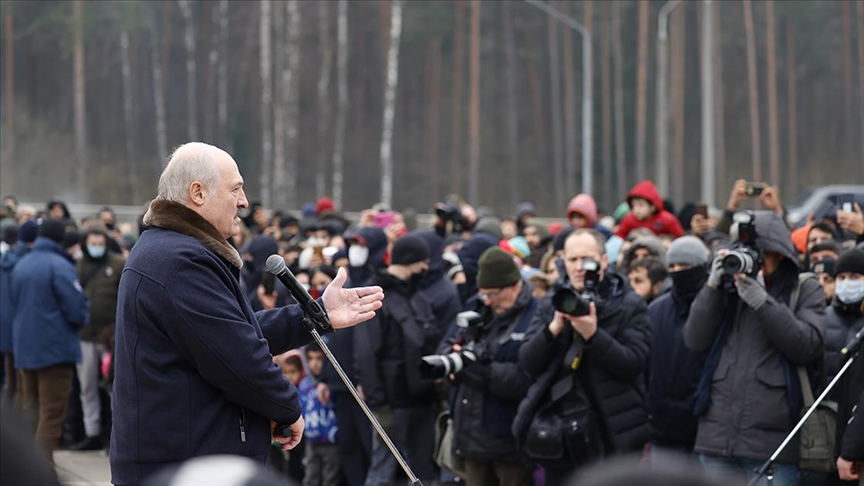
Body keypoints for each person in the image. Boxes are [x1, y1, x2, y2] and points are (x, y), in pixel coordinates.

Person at [110, 142, 384, 486]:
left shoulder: (174, 250)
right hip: (184, 464)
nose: (244, 201)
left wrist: (318, 315)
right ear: (198, 193)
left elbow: (235, 333)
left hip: (186, 455)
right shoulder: (179, 261)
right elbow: (236, 356)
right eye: (235, 189)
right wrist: (286, 406)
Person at [684, 211, 825, 486]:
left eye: (761, 253)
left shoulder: (804, 288)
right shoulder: (727, 289)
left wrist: (763, 301)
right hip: (716, 440)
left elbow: (807, 345)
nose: (752, 259)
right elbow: (694, 339)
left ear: (781, 254)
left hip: (772, 445)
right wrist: (713, 287)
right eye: (746, 251)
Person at [516, 229, 651, 485]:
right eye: (572, 260)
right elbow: (527, 363)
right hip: (561, 436)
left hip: (613, 434)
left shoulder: (629, 304)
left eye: (587, 259)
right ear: (562, 261)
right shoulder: (553, 302)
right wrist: (553, 329)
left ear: (604, 260)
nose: (579, 267)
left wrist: (593, 334)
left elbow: (632, 364)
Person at [442, 247, 539, 486]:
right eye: (483, 293)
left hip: (510, 438)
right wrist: (452, 357)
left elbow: (525, 378)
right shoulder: (478, 306)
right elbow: (447, 343)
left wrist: (476, 369)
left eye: (493, 294)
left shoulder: (535, 315)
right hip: (471, 436)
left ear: (514, 285)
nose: (488, 300)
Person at [354, 234, 441, 486]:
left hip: (422, 399)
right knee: (383, 471)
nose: (426, 267)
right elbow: (366, 353)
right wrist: (379, 404)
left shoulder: (417, 296)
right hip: (392, 402)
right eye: (423, 261)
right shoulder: (377, 296)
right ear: (410, 261)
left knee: (421, 470)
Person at [10, 219, 90, 462]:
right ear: (60, 239)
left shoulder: (22, 264)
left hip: (25, 349)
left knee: (30, 414)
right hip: (54, 350)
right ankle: (42, 472)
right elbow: (76, 309)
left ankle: (23, 468)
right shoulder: (60, 265)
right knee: (52, 414)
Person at [646, 236, 709, 466]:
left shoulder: (715, 309)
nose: (677, 272)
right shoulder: (655, 310)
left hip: (703, 430)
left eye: (684, 266)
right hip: (664, 430)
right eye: (672, 266)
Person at [71, 223, 126, 451]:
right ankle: (92, 432)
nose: (97, 247)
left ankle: (116, 436)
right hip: (85, 336)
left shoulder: (118, 264)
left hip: (109, 338)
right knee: (87, 388)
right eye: (93, 244)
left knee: (114, 387)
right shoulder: (78, 265)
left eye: (100, 243)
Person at [0, 219, 37, 402]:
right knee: (23, 380)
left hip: (4, 324)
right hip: (22, 324)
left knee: (9, 379)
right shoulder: (26, 262)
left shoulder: (4, 261)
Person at [301, 343, 341, 486]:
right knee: (310, 477)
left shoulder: (333, 384)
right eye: (310, 359)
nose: (315, 363)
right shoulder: (304, 384)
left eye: (319, 359)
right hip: (311, 440)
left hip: (331, 441)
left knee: (330, 478)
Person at [824, 249, 864, 382]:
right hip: (827, 398)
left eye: (854, 277)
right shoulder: (823, 317)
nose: (847, 283)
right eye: (841, 277)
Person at [615, 181, 684, 239]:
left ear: (653, 206)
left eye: (641, 205)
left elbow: (680, 239)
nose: (636, 210)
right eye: (633, 205)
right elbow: (618, 239)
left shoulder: (667, 220)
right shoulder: (629, 220)